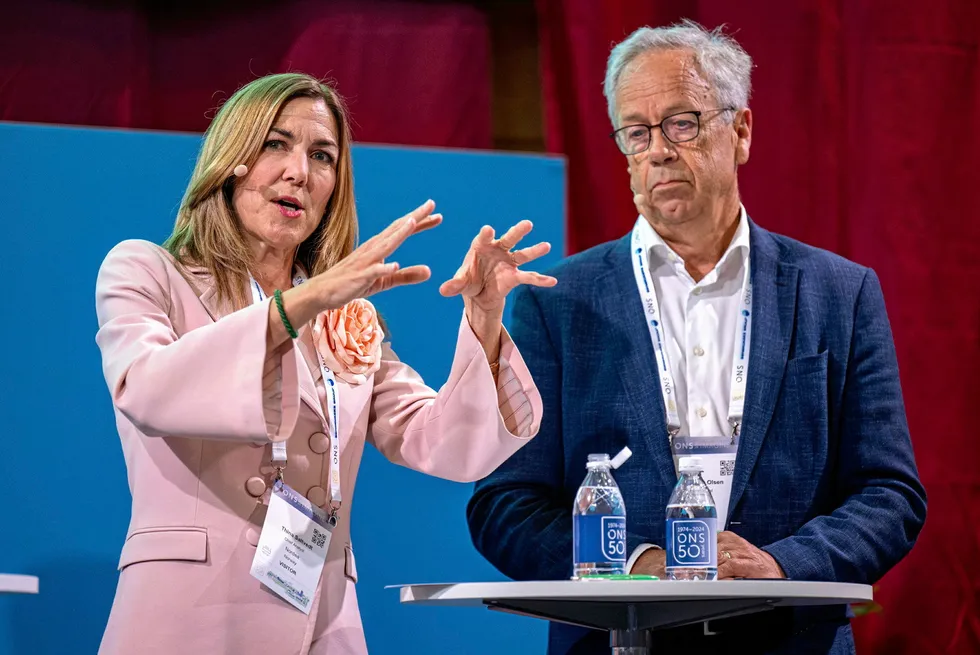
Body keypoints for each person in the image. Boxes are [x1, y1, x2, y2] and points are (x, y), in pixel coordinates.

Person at [467, 20, 926, 655]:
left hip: (788, 639)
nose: (658, 150)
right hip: (617, 642)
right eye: (636, 132)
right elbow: (505, 506)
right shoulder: (557, 302)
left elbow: (890, 494)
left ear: (739, 132)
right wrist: (635, 564)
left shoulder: (837, 293)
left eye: (682, 123)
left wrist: (781, 565)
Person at [94, 72, 556, 655]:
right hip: (188, 617)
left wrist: (485, 316)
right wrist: (307, 300)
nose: (299, 172)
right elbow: (147, 390)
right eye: (275, 144)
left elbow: (443, 444)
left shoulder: (344, 314)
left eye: (322, 156)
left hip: (321, 618)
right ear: (231, 158)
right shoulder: (146, 270)